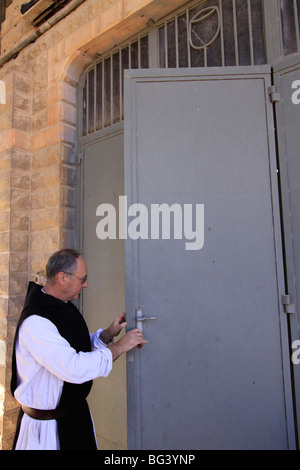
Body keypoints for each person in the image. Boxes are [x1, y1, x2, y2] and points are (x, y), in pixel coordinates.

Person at [11, 248, 147, 450]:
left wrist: (107, 335)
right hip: (47, 433)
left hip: (74, 419)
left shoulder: (61, 305)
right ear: (62, 278)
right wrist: (120, 347)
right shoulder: (37, 322)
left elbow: (73, 347)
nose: (86, 284)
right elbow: (72, 367)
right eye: (82, 279)